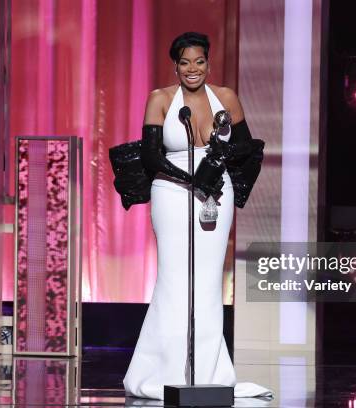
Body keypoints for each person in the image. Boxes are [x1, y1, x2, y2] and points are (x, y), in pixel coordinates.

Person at [121, 32, 272, 400]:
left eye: (199, 61)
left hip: (215, 196)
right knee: (175, 278)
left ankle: (208, 372)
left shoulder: (226, 98)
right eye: (185, 62)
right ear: (175, 65)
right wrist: (192, 180)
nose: (193, 68)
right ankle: (165, 370)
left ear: (208, 62)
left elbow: (247, 147)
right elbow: (152, 157)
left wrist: (218, 161)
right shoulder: (160, 99)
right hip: (172, 192)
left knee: (206, 283)